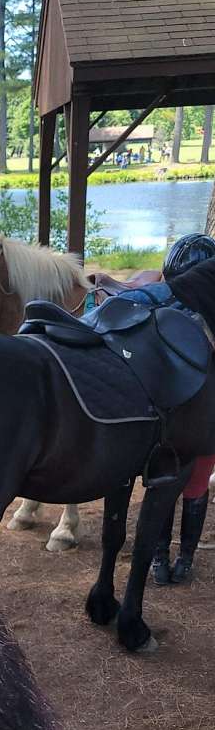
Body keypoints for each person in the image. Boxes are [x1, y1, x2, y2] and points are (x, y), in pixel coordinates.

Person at [151, 233, 215, 585]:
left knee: (195, 486)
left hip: (205, 421)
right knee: (164, 484)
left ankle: (185, 556)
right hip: (170, 417)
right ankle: (160, 554)